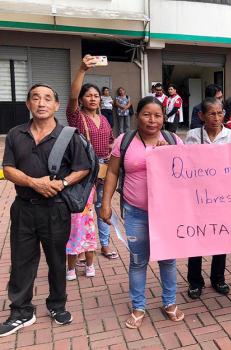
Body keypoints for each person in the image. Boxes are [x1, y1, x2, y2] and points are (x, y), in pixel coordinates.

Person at [0, 84, 91, 336]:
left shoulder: (68, 135)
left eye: (47, 98)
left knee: (56, 259)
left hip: (56, 208)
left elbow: (82, 168)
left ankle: (57, 304)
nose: (41, 102)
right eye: (35, 98)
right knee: (21, 260)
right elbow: (8, 169)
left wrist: (61, 183)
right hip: (23, 208)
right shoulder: (16, 133)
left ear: (56, 105)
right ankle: (21, 311)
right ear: (28, 104)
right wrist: (34, 183)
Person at [99, 96, 184, 329]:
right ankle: (138, 306)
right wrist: (105, 203)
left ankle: (169, 302)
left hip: (166, 213)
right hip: (135, 211)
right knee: (138, 260)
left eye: (157, 115)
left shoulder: (173, 140)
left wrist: (170, 156)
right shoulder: (124, 141)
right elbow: (113, 173)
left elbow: (185, 174)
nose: (152, 120)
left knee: (168, 259)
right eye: (146, 114)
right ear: (137, 116)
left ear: (164, 118)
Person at [67, 55, 116, 278]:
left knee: (103, 208)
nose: (93, 99)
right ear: (83, 99)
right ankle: (78, 251)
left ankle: (104, 245)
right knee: (83, 214)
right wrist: (82, 70)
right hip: (86, 172)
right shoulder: (77, 117)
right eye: (89, 96)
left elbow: (111, 141)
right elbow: (72, 97)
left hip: (105, 170)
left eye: (96, 95)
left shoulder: (105, 119)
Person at [185, 97, 231, 299]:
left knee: (220, 238)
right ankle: (195, 281)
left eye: (220, 113)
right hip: (197, 197)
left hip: (223, 197)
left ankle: (218, 278)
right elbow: (185, 163)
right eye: (211, 114)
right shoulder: (193, 135)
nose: (216, 118)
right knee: (196, 238)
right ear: (201, 116)